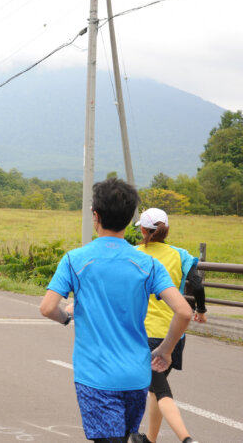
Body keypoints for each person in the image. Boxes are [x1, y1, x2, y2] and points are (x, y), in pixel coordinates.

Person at [40, 178, 192, 443]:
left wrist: (67, 317)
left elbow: (47, 307)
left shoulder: (75, 260)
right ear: (129, 217)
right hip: (136, 376)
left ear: (95, 216)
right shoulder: (149, 264)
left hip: (95, 376)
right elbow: (184, 312)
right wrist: (166, 350)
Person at [130, 208, 207, 443]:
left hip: (142, 333)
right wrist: (201, 311)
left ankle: (186, 439)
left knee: (161, 391)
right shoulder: (180, 254)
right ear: (167, 229)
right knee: (155, 388)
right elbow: (197, 284)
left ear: (142, 231)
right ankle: (150, 440)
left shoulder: (133, 254)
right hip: (175, 334)